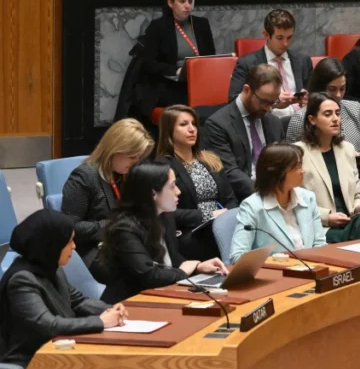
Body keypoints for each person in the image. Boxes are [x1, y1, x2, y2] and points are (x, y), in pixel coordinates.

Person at [0, 211, 123, 369]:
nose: (74, 247)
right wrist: (101, 322)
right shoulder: (22, 280)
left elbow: (78, 301)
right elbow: (49, 325)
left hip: (55, 366)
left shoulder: (51, 268)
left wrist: (112, 310)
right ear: (51, 244)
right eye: (69, 242)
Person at [99, 161, 227, 304]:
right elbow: (148, 275)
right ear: (153, 193)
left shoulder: (166, 217)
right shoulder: (124, 229)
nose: (178, 191)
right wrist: (183, 272)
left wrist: (198, 267)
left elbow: (172, 261)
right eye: (172, 186)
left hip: (162, 295)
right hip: (128, 304)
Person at [62, 117, 154, 277]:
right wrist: (113, 225)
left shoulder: (123, 174)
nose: (136, 162)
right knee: (140, 270)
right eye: (132, 156)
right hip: (94, 251)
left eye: (139, 157)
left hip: (124, 243)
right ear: (115, 149)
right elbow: (70, 227)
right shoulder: (84, 177)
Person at [285, 56, 360, 208]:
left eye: (342, 88)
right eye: (332, 89)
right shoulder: (300, 118)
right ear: (319, 88)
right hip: (318, 188)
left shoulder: (355, 108)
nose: (339, 95)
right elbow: (292, 163)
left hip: (357, 182)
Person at [295, 93, 360, 243]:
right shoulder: (298, 153)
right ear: (312, 120)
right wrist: (327, 217)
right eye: (328, 114)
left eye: (337, 113)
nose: (335, 119)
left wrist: (359, 206)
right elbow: (294, 200)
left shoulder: (347, 149)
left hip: (351, 220)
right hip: (320, 226)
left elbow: (357, 193)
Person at [155, 105, 238, 260]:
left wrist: (227, 215)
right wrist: (207, 215)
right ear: (169, 130)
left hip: (222, 225)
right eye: (183, 124)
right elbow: (165, 211)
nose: (192, 129)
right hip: (191, 232)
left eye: (194, 124)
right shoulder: (163, 165)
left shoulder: (211, 159)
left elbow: (230, 198)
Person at [229, 143, 327, 262]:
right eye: (297, 166)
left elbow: (320, 244)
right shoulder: (252, 206)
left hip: (311, 268)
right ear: (278, 172)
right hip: (276, 271)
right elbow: (237, 257)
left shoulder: (308, 198)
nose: (303, 171)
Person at [203, 63, 285, 201]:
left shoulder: (274, 122)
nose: (268, 109)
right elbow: (229, 171)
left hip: (276, 193)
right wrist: (264, 194)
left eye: (273, 102)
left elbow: (283, 162)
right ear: (247, 90)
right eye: (264, 102)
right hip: (243, 198)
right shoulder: (218, 124)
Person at [133, 0, 216, 116]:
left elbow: (211, 55)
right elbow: (149, 64)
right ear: (170, 3)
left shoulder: (201, 24)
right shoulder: (158, 27)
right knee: (192, 107)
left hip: (199, 81)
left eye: (190, 1)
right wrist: (177, 71)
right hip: (169, 84)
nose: (187, 6)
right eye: (182, 1)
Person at [228, 9, 312, 118]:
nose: (285, 43)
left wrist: (309, 99)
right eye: (280, 38)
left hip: (302, 121)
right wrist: (272, 103)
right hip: (267, 121)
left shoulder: (303, 61)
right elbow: (234, 102)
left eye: (289, 37)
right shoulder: (247, 63)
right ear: (266, 35)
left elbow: (317, 95)